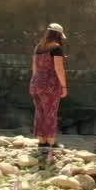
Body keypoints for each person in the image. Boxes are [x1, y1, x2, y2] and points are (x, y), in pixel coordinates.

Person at [29, 22, 68, 158]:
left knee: (40, 111)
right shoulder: (56, 48)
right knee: (51, 112)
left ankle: (41, 141)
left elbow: (34, 68)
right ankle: (51, 141)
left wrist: (33, 83)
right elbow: (58, 69)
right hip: (50, 84)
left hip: (36, 82)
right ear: (58, 35)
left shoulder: (38, 47)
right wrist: (63, 86)